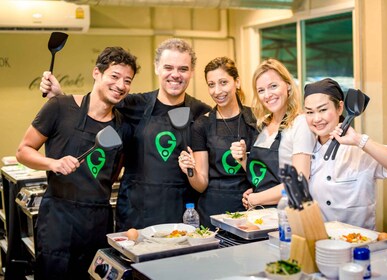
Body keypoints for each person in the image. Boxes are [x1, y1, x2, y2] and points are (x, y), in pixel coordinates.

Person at [39, 38, 211, 231]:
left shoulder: (202, 113)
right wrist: (61, 96)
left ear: (192, 72)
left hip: (181, 214)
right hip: (135, 215)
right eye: (168, 67)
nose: (175, 75)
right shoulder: (132, 105)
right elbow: (95, 105)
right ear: (157, 68)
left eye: (183, 69)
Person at [17, 47, 139, 279]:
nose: (121, 85)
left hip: (98, 222)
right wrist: (53, 163)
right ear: (97, 73)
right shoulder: (60, 107)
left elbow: (113, 174)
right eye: (114, 76)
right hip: (58, 220)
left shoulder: (123, 127)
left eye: (127, 80)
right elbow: (24, 150)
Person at [303, 78, 387, 229]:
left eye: (323, 110)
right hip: (317, 243)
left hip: (357, 245)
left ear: (340, 108)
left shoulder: (359, 148)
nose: (316, 118)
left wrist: (359, 140)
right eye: (309, 112)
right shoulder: (304, 152)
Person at [178, 57, 258, 228]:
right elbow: (201, 185)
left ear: (237, 82)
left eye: (223, 82)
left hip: (248, 208)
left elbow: (263, 175)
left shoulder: (256, 119)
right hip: (212, 211)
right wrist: (190, 170)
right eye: (211, 84)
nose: (217, 91)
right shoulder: (202, 125)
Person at [230, 58, 316, 208]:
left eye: (273, 86)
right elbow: (262, 175)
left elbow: (299, 182)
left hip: (286, 215)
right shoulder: (263, 124)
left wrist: (256, 199)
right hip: (261, 215)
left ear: (288, 86)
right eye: (261, 90)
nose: (267, 95)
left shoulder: (299, 123)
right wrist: (243, 159)